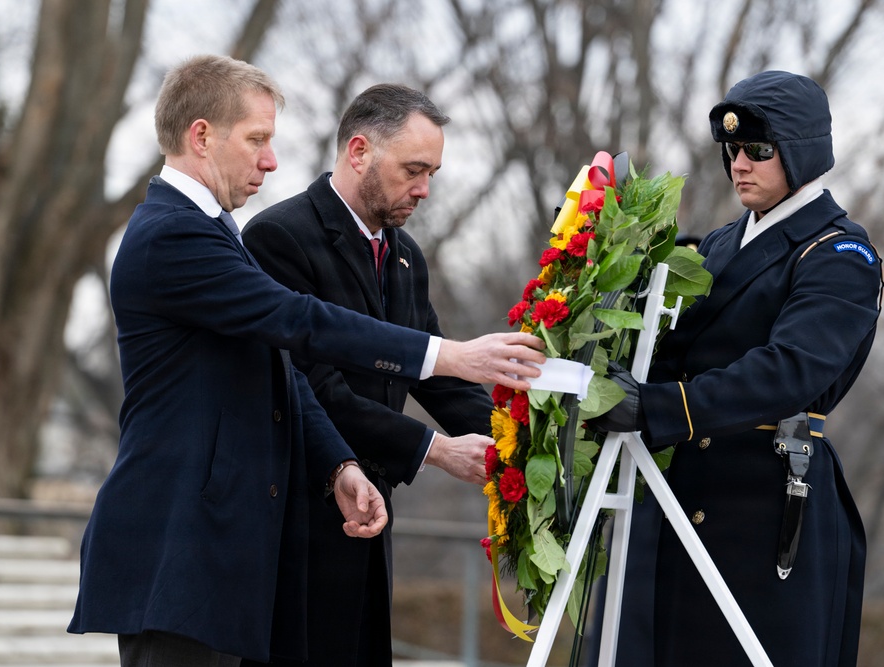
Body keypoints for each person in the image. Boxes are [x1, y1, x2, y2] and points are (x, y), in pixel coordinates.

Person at [66, 54, 545, 667]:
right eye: (257, 139)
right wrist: (450, 356)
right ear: (202, 136)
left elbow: (280, 371)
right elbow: (299, 320)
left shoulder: (214, 231)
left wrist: (338, 465)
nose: (271, 160)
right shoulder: (172, 234)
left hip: (216, 553)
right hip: (179, 545)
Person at [593, 70, 883, 665]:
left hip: (764, 500)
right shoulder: (721, 243)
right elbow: (675, 351)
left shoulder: (839, 253)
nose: (739, 164)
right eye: (731, 149)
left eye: (758, 149)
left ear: (801, 153)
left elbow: (789, 371)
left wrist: (656, 407)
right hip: (680, 490)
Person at [237, 84, 495, 666]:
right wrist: (434, 450)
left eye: (431, 174)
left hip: (373, 518)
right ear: (359, 151)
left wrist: (516, 439)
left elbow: (437, 375)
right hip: (299, 518)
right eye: (413, 170)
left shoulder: (407, 257)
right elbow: (312, 387)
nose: (424, 189)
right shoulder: (279, 238)